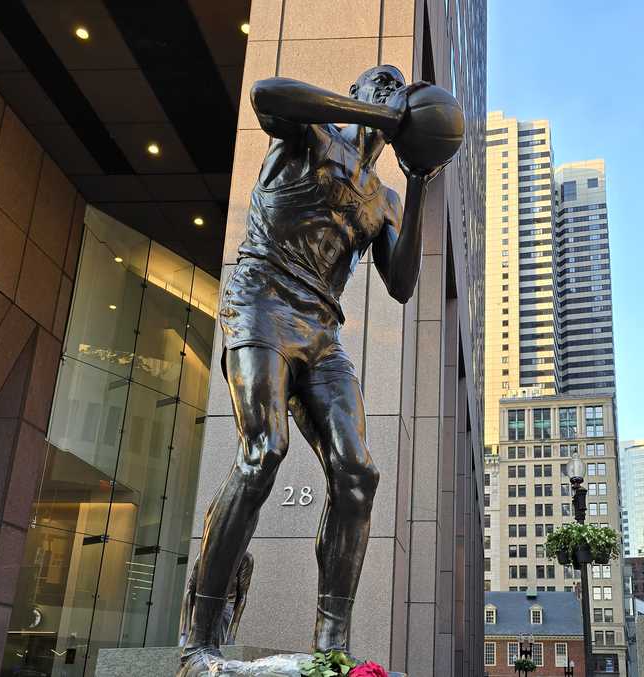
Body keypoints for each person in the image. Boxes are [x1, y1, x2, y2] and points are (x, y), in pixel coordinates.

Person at [177, 64, 445, 676]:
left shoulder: (385, 198)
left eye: (396, 88)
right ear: (353, 97)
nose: (390, 90)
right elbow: (266, 94)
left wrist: (420, 178)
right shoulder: (312, 133)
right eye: (379, 82)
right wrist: (376, 115)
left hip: (322, 329)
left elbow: (401, 285)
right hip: (262, 301)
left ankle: (332, 648)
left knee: (358, 470)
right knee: (264, 449)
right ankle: (199, 641)